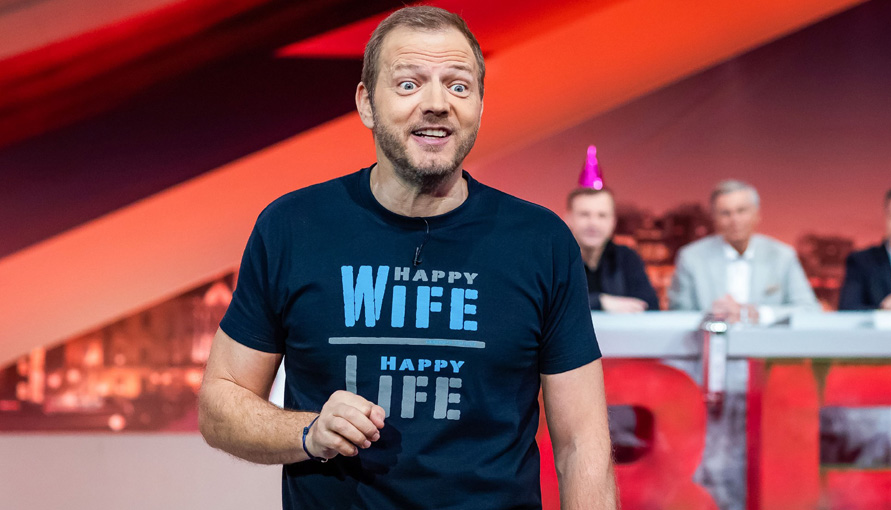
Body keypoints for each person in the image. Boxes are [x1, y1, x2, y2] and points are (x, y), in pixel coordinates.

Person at [197, 7, 616, 509]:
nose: (437, 104)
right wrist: (308, 432)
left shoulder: (541, 241)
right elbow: (220, 403)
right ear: (366, 103)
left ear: (480, 105)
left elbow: (582, 444)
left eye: (458, 86)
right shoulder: (292, 227)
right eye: (409, 84)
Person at [668, 179, 819, 323]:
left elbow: (809, 309)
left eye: (741, 211)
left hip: (766, 341)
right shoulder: (691, 257)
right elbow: (677, 315)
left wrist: (760, 315)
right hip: (711, 340)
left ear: (757, 214)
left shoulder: (783, 256)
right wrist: (710, 316)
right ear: (714, 218)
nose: (735, 220)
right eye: (725, 213)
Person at [565, 187, 660, 312]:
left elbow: (649, 305)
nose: (593, 223)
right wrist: (600, 302)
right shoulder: (553, 261)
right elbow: (549, 306)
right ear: (568, 218)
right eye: (584, 214)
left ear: (613, 222)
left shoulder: (627, 258)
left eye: (602, 215)